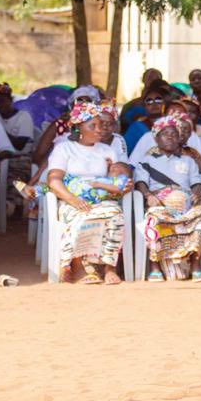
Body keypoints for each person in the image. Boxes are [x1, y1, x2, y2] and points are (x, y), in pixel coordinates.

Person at [46, 99, 130, 285]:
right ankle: (79, 267)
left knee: (115, 215)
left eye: (101, 125)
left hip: (101, 198)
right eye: (93, 126)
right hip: (72, 199)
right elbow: (53, 180)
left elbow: (117, 179)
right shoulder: (64, 148)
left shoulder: (107, 150)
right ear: (78, 129)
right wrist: (72, 199)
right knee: (82, 216)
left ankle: (109, 267)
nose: (100, 130)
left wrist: (122, 184)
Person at [134, 109, 201, 282]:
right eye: (165, 134)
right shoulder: (147, 160)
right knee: (153, 220)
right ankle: (154, 266)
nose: (170, 137)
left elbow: (196, 181)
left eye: (174, 134)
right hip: (160, 204)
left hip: (185, 205)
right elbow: (140, 182)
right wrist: (148, 195)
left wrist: (198, 192)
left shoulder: (188, 160)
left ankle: (196, 265)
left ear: (180, 138)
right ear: (156, 138)